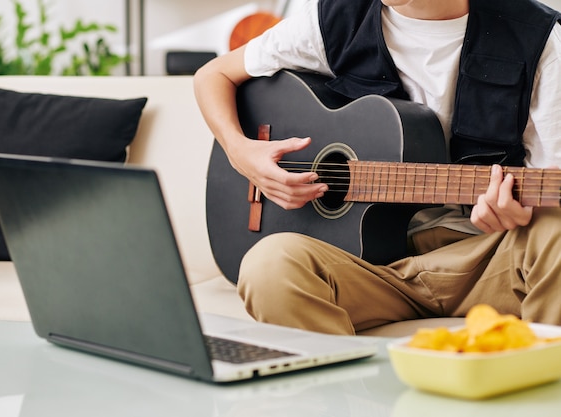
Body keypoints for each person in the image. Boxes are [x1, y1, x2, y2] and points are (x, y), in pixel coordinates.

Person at [193, 0, 561, 335]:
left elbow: (549, 193)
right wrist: (241, 152)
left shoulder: (541, 39)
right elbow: (214, 76)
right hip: (370, 267)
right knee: (269, 266)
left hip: (487, 260)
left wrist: (518, 213)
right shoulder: (332, 19)